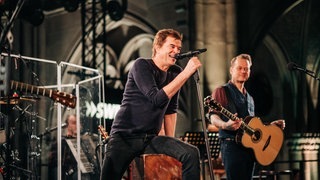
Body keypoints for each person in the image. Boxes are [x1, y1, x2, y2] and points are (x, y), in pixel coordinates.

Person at [100, 29, 201, 180]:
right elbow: (157, 99)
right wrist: (186, 73)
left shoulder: (175, 72)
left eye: (179, 48)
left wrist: (169, 144)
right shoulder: (141, 65)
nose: (176, 51)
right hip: (125, 137)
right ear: (157, 47)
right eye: (172, 46)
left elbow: (170, 111)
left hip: (150, 139)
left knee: (191, 153)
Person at [208, 54, 285, 179]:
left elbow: (252, 125)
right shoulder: (221, 91)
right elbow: (213, 116)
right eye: (239, 68)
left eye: (246, 69)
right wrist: (225, 124)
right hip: (232, 146)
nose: (243, 71)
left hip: (249, 149)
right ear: (231, 70)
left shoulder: (250, 98)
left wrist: (270, 126)